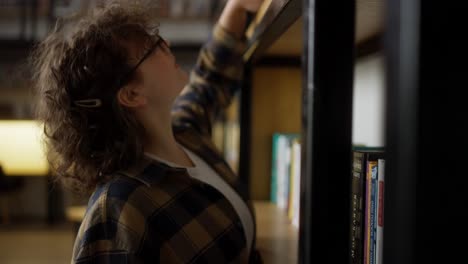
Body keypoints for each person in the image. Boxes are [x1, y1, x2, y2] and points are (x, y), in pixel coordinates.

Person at [31, 0, 264, 263]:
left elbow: (210, 81)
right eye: (153, 47)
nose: (167, 46)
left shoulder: (185, 133)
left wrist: (236, 8)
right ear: (132, 94)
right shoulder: (117, 211)